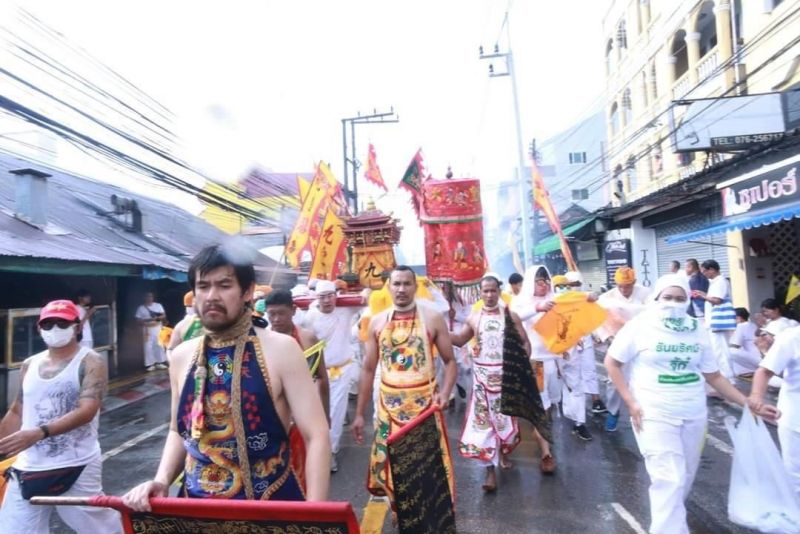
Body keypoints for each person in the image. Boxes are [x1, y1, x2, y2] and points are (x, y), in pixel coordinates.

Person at [123, 244, 330, 510]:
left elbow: (317, 434)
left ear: (247, 292)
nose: (211, 296)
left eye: (224, 285)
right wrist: (161, 479)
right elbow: (179, 430)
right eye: (203, 286)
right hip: (196, 508)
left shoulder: (282, 349)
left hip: (269, 506)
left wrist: (314, 513)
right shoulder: (182, 355)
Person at [604, 274, 778, 534]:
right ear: (656, 298)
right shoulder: (639, 326)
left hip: (693, 413)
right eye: (667, 298)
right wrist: (630, 401)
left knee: (682, 479)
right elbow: (612, 362)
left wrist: (748, 402)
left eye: (680, 298)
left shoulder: (697, 329)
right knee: (668, 480)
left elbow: (714, 376)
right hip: (653, 412)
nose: (673, 303)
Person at [0, 300, 121, 533]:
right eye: (48, 324)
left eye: (61, 323)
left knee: (100, 528)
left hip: (76, 464)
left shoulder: (90, 361)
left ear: (77, 327)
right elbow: (17, 410)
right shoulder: (29, 364)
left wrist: (40, 432)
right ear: (39, 328)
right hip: (28, 467)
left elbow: (87, 410)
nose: (54, 329)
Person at [351, 265, 457, 512]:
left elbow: (450, 361)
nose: (401, 289)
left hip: (425, 407)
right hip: (389, 408)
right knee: (393, 464)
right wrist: (359, 414)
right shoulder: (376, 322)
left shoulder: (432, 318)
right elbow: (368, 370)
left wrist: (445, 392)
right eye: (396, 284)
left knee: (426, 465)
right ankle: (401, 510)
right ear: (389, 287)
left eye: (406, 284)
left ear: (415, 286)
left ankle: (427, 513)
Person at [450, 275, 528, 491]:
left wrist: (520, 370)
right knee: (484, 425)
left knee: (504, 423)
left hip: (505, 381)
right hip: (482, 383)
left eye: (493, 290)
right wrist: (436, 328)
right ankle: (489, 472)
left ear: (499, 291)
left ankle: (502, 452)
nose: (489, 295)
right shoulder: (474, 318)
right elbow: (458, 340)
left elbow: (525, 344)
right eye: (485, 291)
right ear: (480, 293)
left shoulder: (511, 316)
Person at [300, 280, 360, 473]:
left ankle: (329, 452)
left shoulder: (346, 310)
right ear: (317, 299)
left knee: (335, 413)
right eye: (322, 297)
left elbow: (369, 297)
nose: (327, 301)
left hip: (342, 371)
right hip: (319, 374)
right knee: (319, 413)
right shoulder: (309, 316)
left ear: (336, 295)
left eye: (330, 295)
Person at [510, 264, 558, 473]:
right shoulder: (521, 303)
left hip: (554, 359)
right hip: (534, 361)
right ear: (531, 283)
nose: (543, 285)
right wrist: (537, 309)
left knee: (552, 402)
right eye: (539, 281)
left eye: (546, 281)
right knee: (542, 404)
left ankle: (542, 433)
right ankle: (546, 453)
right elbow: (514, 318)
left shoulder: (556, 300)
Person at [596, 267, 651, 432]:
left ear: (634, 282)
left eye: (627, 285)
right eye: (620, 285)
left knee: (643, 378)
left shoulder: (646, 294)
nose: (623, 289)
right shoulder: (608, 298)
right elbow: (600, 319)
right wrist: (606, 336)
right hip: (617, 341)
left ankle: (645, 413)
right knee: (614, 381)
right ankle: (613, 412)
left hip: (642, 342)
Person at [750, 324, 800, 498]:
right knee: (796, 476)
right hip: (796, 420)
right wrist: (756, 399)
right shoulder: (792, 337)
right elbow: (764, 371)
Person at [264, 289, 330, 421]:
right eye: (271, 314)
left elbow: (322, 378)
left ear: (293, 310)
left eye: (281, 313)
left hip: (303, 411)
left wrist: (325, 413)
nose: (276, 319)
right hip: (271, 411)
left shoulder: (308, 339)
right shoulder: (261, 340)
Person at [552, 275, 593, 441]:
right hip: (552, 355)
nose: (563, 289)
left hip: (572, 353)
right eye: (559, 286)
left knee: (576, 386)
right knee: (554, 389)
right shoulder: (547, 305)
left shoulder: (576, 305)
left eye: (565, 286)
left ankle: (579, 423)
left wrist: (579, 340)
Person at [565, 271, 607, 416]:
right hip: (568, 343)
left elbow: (594, 318)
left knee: (590, 370)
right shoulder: (562, 300)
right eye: (571, 285)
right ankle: (574, 407)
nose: (575, 287)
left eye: (577, 284)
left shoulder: (587, 300)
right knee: (572, 374)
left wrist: (597, 334)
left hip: (585, 339)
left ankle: (596, 401)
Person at [692, 260, 735, 382]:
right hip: (715, 322)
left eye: (705, 271)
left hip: (718, 322)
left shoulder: (720, 281)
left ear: (712, 269)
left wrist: (703, 296)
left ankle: (729, 380)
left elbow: (717, 300)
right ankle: (726, 379)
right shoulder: (716, 282)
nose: (704, 273)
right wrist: (703, 294)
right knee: (718, 351)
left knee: (720, 352)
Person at [135, 292, 168, 371]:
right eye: (147, 296)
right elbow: (138, 319)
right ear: (144, 298)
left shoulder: (158, 306)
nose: (149, 298)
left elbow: (164, 315)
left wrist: (157, 318)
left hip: (157, 327)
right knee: (148, 346)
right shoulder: (141, 308)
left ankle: (160, 362)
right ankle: (150, 364)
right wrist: (149, 319)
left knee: (159, 344)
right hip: (147, 329)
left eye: (151, 296)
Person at [728, 307, 762, 377]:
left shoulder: (741, 326)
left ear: (739, 318)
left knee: (730, 351)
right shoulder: (752, 324)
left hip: (757, 360)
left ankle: (750, 371)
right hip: (759, 358)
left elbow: (734, 345)